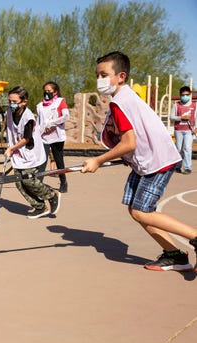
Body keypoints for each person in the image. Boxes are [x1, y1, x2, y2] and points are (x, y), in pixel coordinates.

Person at [82, 51, 197, 272]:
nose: (99, 80)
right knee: (136, 209)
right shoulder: (125, 97)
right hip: (146, 161)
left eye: (104, 74)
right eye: (97, 75)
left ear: (121, 76)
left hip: (157, 161)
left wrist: (97, 160)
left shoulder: (120, 103)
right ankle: (174, 255)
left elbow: (129, 143)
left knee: (141, 211)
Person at [4, 86, 61, 219]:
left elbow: (26, 138)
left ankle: (52, 195)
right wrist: (10, 147)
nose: (11, 104)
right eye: (10, 101)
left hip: (31, 153)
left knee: (29, 181)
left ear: (24, 102)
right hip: (18, 153)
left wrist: (12, 148)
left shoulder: (28, 117)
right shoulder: (9, 112)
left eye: (14, 102)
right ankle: (40, 207)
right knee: (19, 182)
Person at [37, 81, 70, 192]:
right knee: (42, 161)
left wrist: (52, 123)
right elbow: (38, 122)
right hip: (43, 137)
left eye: (49, 91)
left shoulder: (61, 101)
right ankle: (38, 184)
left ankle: (63, 182)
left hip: (57, 137)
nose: (47, 93)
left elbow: (66, 116)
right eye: (45, 91)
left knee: (58, 160)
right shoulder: (40, 106)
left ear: (55, 92)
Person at [170, 85, 196, 174]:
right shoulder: (176, 105)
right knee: (178, 148)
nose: (185, 96)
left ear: (190, 94)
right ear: (180, 95)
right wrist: (181, 118)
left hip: (189, 130)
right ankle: (177, 166)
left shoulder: (194, 105)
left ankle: (187, 167)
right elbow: (171, 117)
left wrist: (196, 128)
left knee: (187, 148)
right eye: (183, 95)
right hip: (178, 130)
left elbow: (196, 117)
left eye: (187, 94)